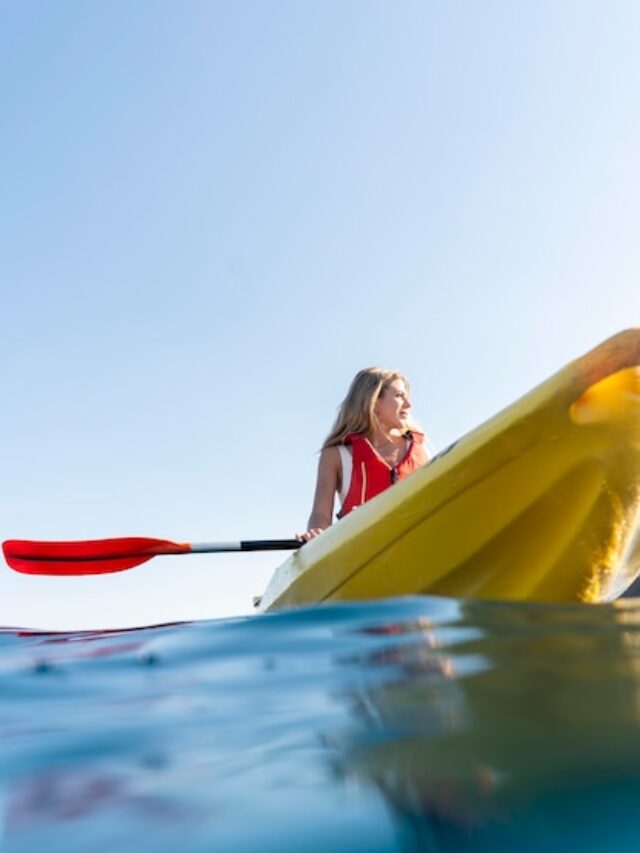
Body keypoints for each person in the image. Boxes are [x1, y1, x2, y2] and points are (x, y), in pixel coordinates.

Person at [298, 368, 429, 542]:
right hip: (363, 548)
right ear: (374, 402)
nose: (409, 404)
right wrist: (315, 536)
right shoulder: (336, 455)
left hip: (419, 541)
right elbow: (320, 514)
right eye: (399, 396)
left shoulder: (419, 448)